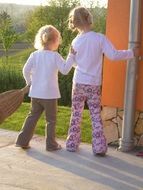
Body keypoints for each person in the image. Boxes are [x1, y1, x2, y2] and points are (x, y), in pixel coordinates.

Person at [66, 6, 139, 156]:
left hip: (78, 82)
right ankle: (99, 147)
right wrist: (132, 52)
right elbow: (113, 55)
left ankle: (72, 144)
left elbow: (74, 63)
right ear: (88, 18)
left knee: (76, 114)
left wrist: (78, 62)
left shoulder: (75, 41)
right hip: (93, 84)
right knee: (95, 116)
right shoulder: (99, 38)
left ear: (75, 23)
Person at [15, 25, 76, 151]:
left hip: (35, 94)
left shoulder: (34, 55)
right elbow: (65, 70)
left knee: (32, 117)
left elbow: (25, 70)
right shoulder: (55, 56)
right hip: (50, 95)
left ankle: (22, 141)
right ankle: (51, 144)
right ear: (55, 41)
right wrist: (71, 56)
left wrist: (29, 82)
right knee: (51, 120)